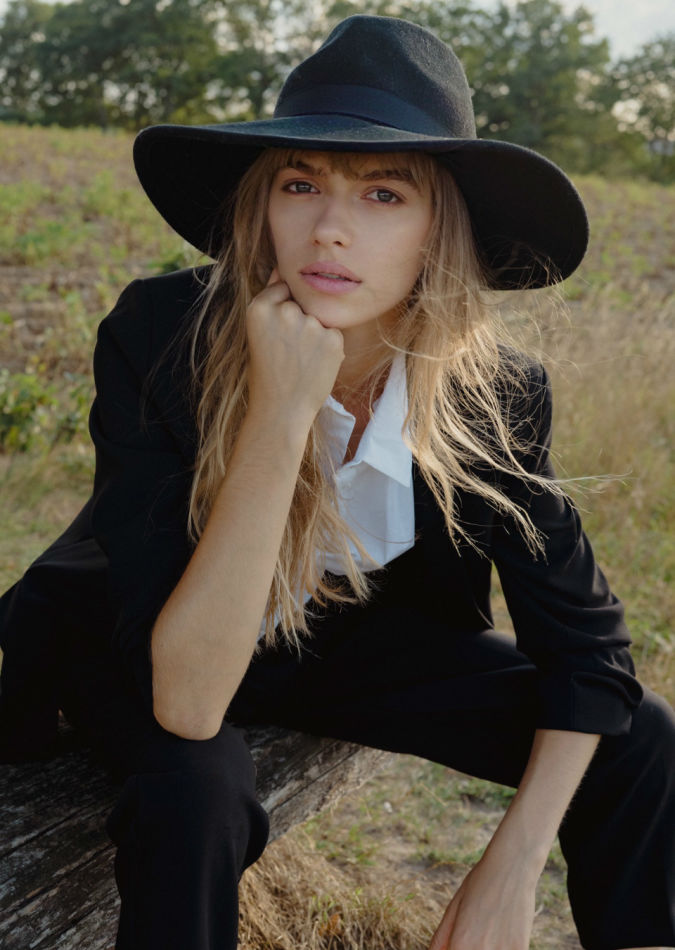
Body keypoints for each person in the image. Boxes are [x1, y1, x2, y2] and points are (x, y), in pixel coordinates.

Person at [0, 14, 673, 950]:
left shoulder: (491, 391)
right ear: (262, 206)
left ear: (441, 228)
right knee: (195, 797)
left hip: (346, 646)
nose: (328, 229)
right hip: (151, 644)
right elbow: (186, 702)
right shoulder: (162, 337)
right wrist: (282, 412)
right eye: (300, 184)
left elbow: (587, 652)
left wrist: (512, 867)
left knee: (642, 740)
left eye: (384, 194)